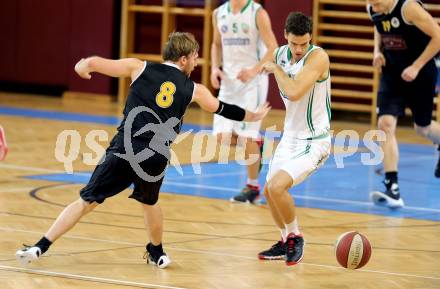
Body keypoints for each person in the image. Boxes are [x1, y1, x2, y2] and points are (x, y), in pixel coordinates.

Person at [15, 32, 270, 269]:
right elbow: (224, 109)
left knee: (86, 201)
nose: (195, 62)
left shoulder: (139, 66)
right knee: (150, 203)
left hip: (124, 148)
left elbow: (97, 62)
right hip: (155, 156)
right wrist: (253, 115)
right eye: (193, 57)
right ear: (183, 59)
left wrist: (83, 66)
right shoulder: (195, 89)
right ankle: (157, 252)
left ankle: (41, 246)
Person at [257, 12, 331, 265]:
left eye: (304, 43)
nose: (299, 49)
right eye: (294, 44)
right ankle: (283, 240)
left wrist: (275, 68)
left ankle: (296, 236)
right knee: (269, 191)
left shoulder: (318, 57)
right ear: (285, 36)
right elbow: (261, 66)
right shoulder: (279, 53)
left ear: (311, 38)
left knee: (278, 187)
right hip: (290, 137)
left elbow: (295, 91)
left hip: (315, 140)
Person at [367, 0, 440, 208]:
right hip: (392, 73)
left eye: (378, 4)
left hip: (421, 72)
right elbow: (378, 25)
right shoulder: (373, 6)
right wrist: (377, 51)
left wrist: (416, 66)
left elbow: (438, 36)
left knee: (422, 128)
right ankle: (393, 188)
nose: (374, 8)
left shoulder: (408, 8)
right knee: (385, 125)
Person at [211, 0, 278, 203]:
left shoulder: (257, 12)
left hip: (253, 82)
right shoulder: (218, 12)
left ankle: (252, 186)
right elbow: (216, 44)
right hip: (229, 83)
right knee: (221, 139)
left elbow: (273, 47)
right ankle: (259, 144)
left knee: (247, 136)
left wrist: (253, 70)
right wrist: (215, 68)